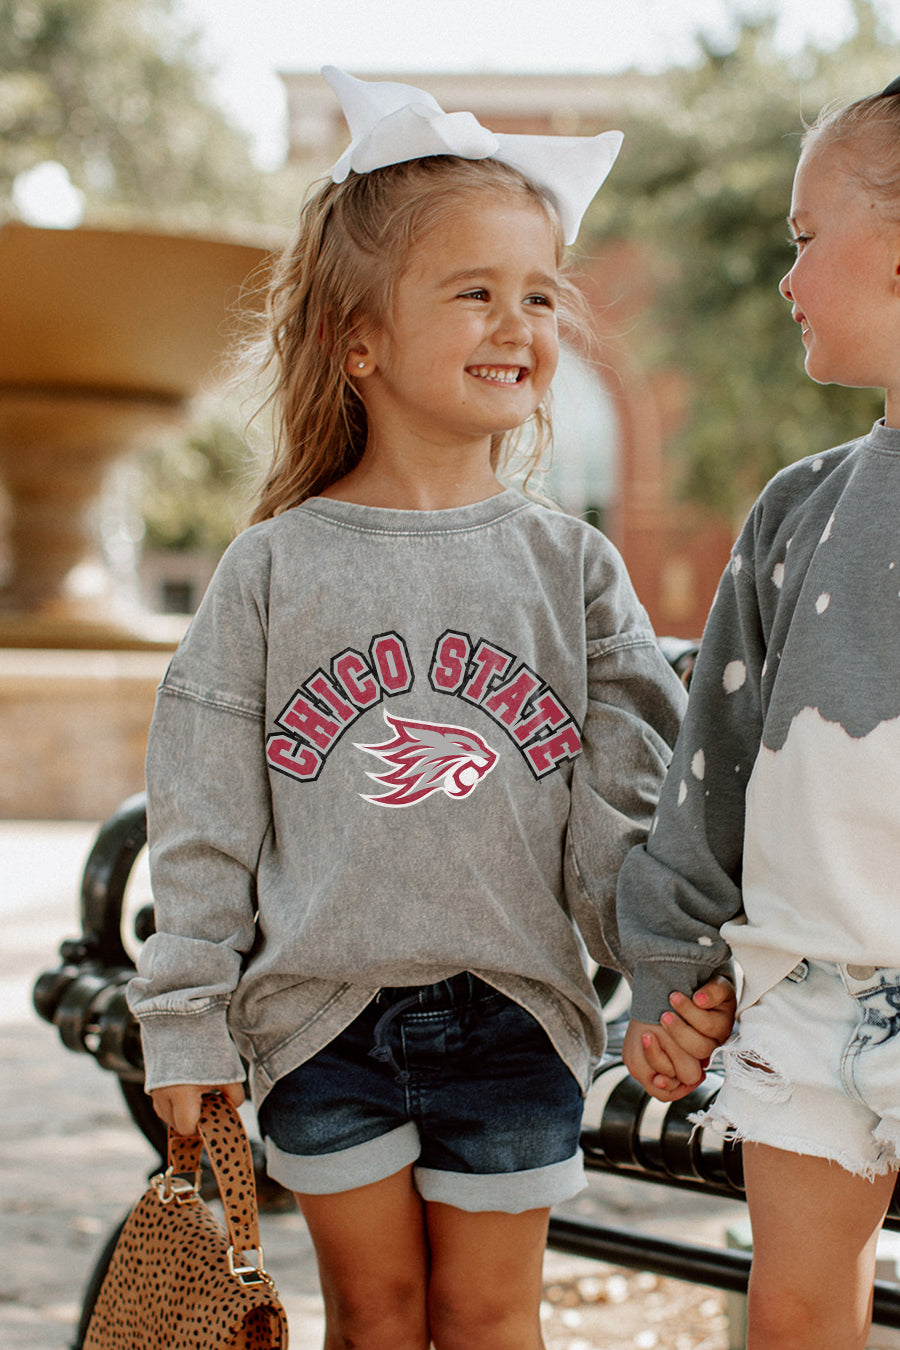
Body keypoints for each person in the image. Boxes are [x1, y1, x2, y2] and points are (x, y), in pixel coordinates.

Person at [128, 68, 730, 1350]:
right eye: (474, 292)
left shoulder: (573, 570)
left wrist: (667, 984)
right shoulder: (274, 569)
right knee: (376, 1317)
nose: (518, 323)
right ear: (358, 340)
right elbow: (202, 817)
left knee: (492, 1318)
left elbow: (626, 817)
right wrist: (184, 1023)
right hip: (319, 1021)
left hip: (520, 1017)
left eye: (540, 295)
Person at [617, 77, 900, 1350]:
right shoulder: (799, 509)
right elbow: (713, 766)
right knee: (792, 1315)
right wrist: (669, 975)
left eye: (805, 237)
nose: (786, 277)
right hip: (800, 987)